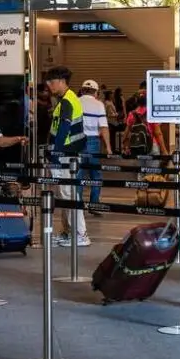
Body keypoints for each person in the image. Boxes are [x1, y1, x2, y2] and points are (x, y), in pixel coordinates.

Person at [44, 66, 90, 247]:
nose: (49, 85)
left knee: (69, 194)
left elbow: (64, 129)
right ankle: (68, 232)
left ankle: (80, 234)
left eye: (52, 81)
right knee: (64, 194)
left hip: (67, 156)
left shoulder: (67, 101)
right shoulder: (66, 100)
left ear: (62, 81)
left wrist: (56, 152)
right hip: (67, 154)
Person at [78, 80, 111, 212]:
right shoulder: (99, 105)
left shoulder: (76, 102)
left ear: (82, 90)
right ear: (96, 92)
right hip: (93, 141)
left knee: (77, 174)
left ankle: (77, 204)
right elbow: (104, 128)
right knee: (95, 175)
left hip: (77, 141)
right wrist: (108, 147)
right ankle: (94, 205)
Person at [124, 93, 168, 157]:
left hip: (136, 146)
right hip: (151, 145)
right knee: (153, 166)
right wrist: (164, 151)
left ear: (137, 102)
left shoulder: (132, 114)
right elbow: (158, 133)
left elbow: (127, 132)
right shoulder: (151, 114)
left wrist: (125, 145)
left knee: (138, 166)